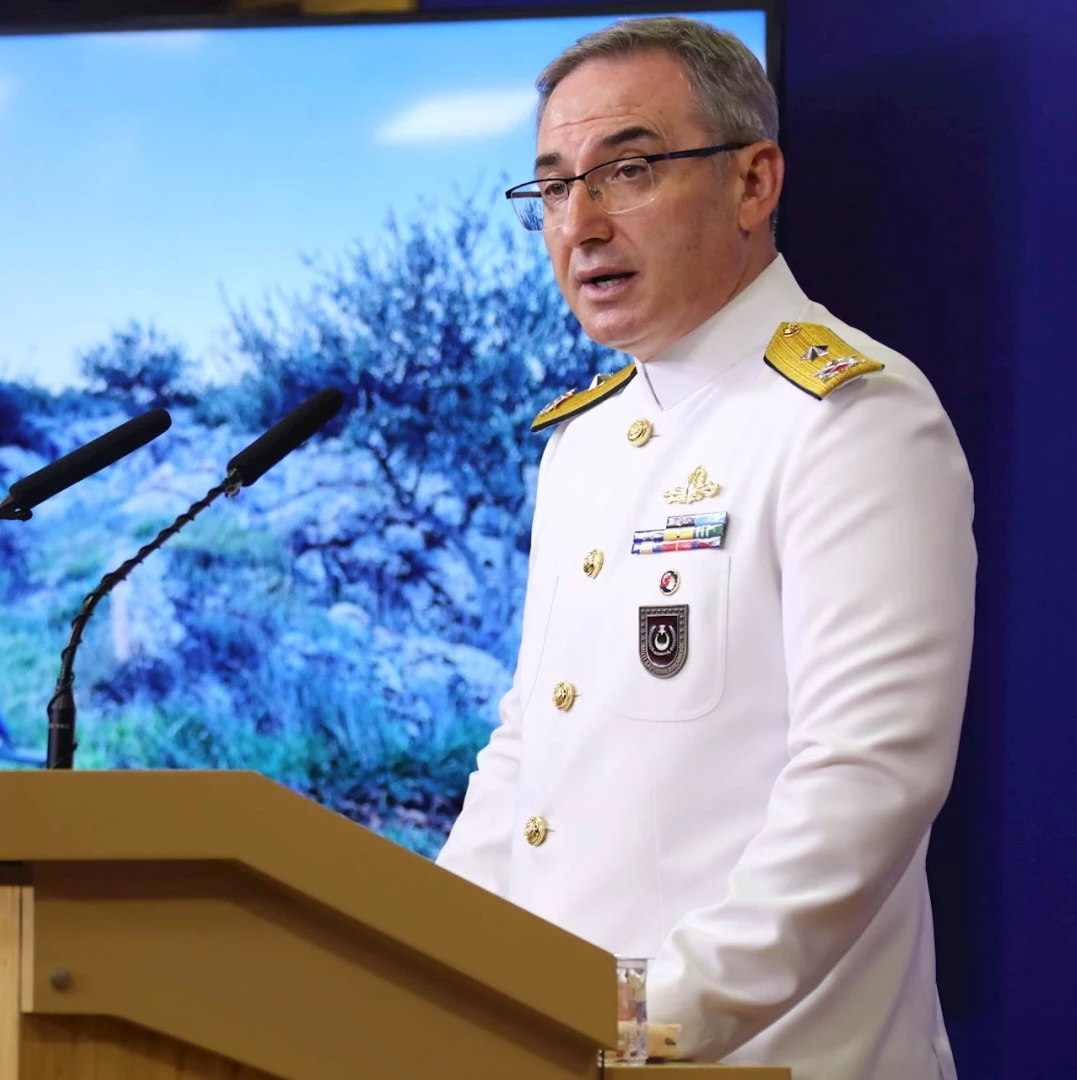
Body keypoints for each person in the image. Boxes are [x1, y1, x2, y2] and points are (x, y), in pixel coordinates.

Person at [435, 17, 973, 1080]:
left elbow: (865, 783)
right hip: (563, 1047)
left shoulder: (851, 417)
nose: (580, 224)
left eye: (627, 171)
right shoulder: (583, 443)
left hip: (755, 1058)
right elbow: (529, 751)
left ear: (753, 183)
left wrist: (642, 1022)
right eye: (554, 187)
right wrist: (421, 960)